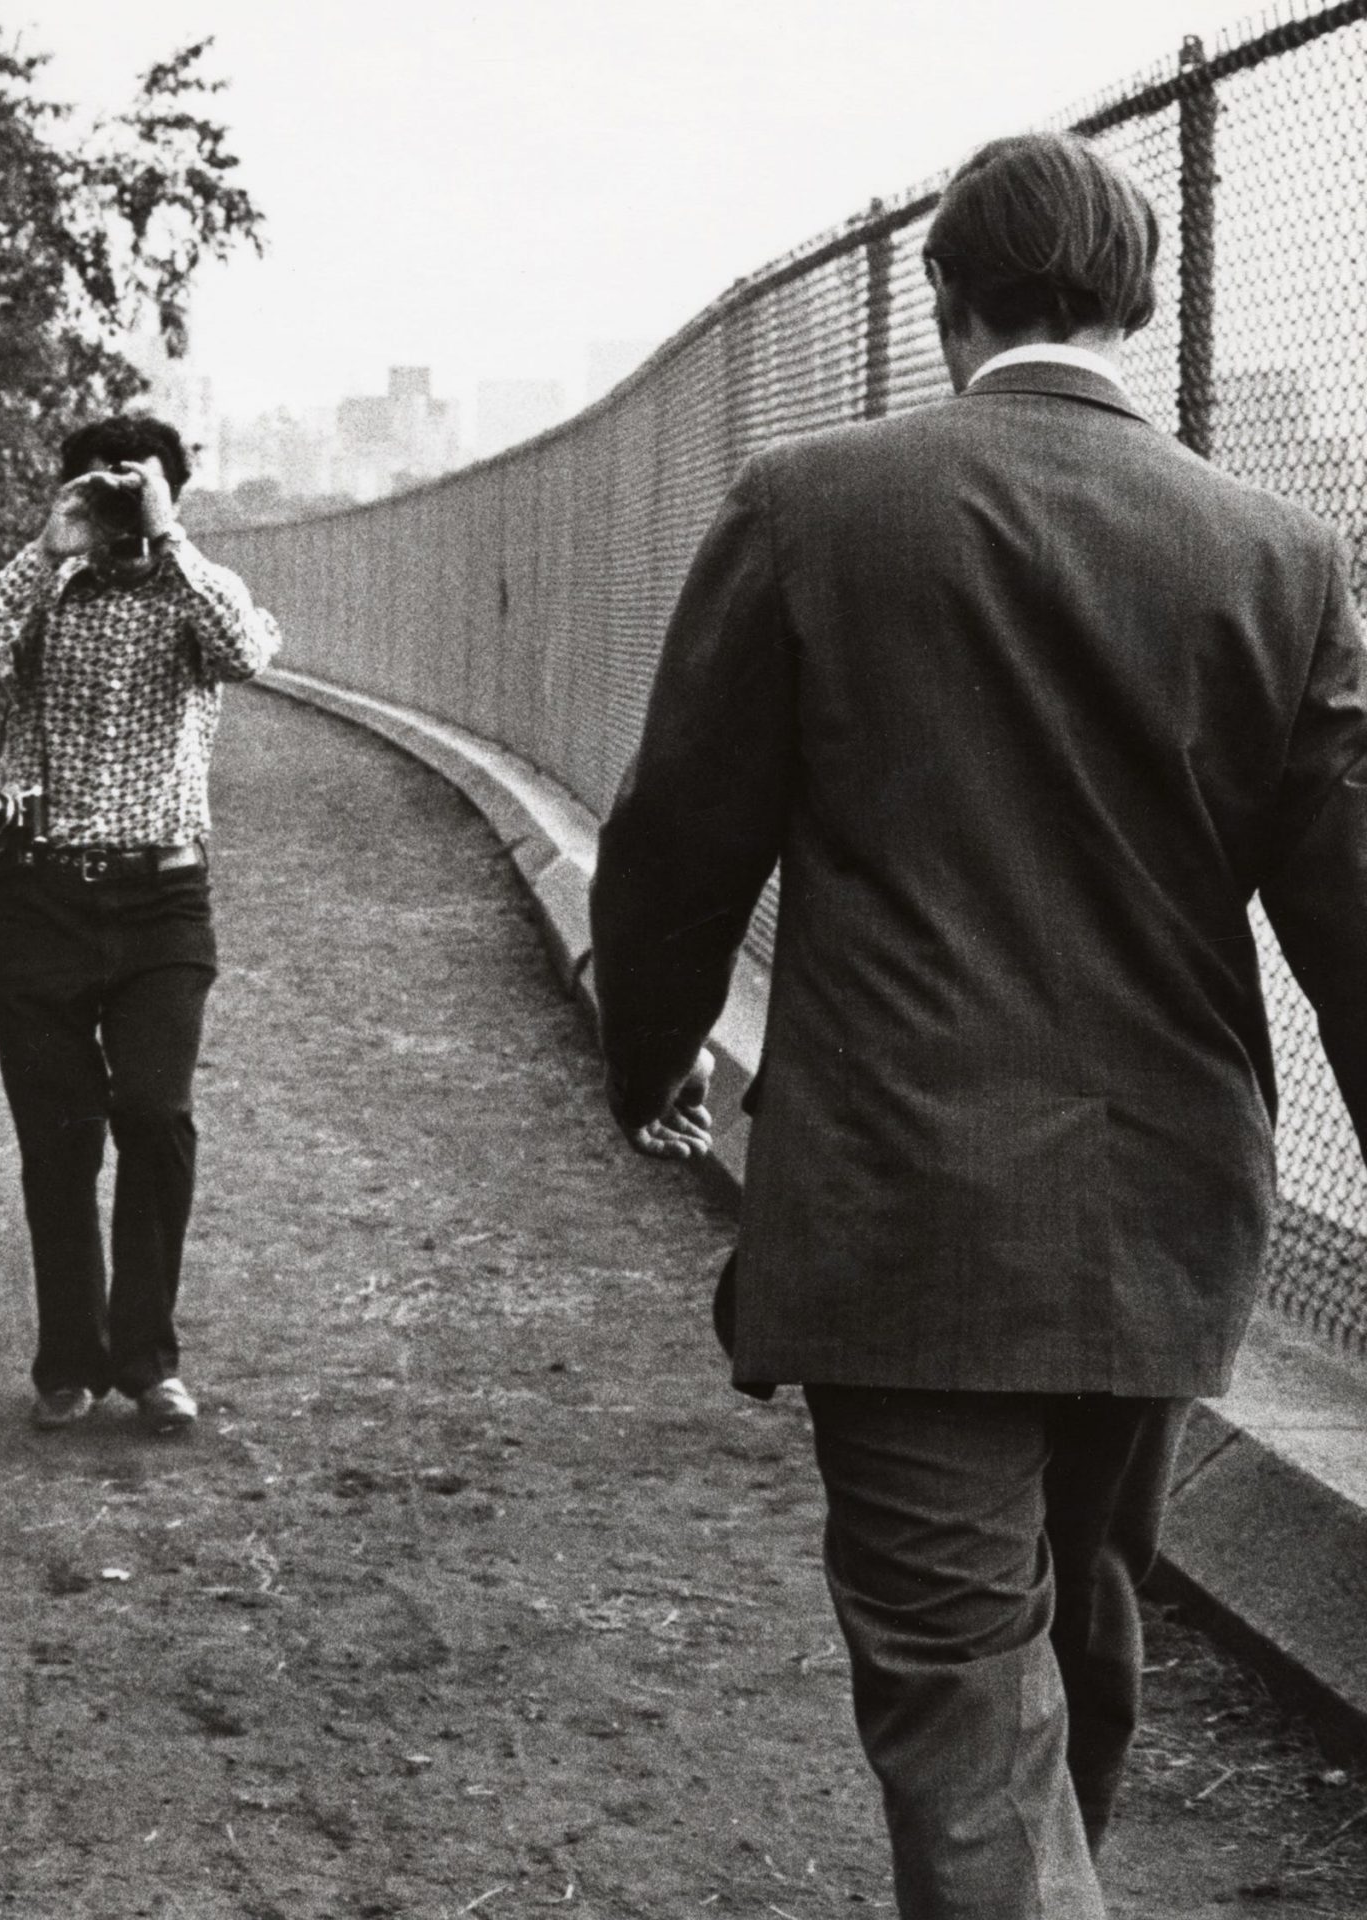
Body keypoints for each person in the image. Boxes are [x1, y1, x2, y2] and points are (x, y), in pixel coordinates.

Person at [588, 133, 1367, 1919]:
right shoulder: (1277, 555)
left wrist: (652, 1062)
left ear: (940, 302)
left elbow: (674, 842)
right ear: (1144, 306)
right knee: (1078, 1607)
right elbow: (1354, 925)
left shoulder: (812, 508)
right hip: (1170, 1212)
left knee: (960, 1689)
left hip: (904, 1208)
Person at [0, 414, 281, 1434]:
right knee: (58, 1137)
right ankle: (67, 1360)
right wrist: (45, 551)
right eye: (100, 489)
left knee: (156, 1115)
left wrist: (167, 538)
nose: (117, 508)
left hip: (161, 901)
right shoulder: (45, 591)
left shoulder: (196, 595)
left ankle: (149, 1359)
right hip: (37, 899)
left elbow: (247, 654)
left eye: (136, 488)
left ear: (173, 493)